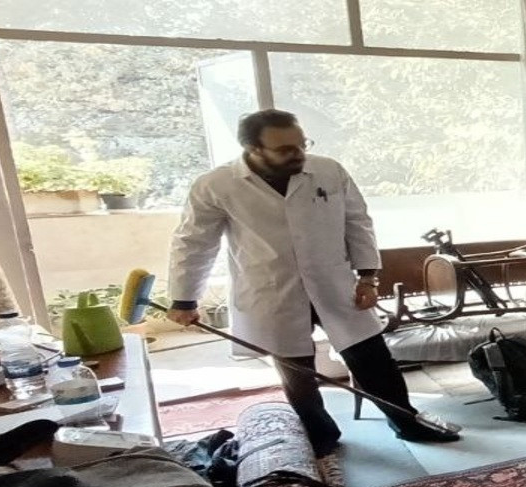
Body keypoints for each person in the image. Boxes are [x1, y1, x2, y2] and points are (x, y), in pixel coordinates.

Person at [167, 108, 459, 455]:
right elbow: (194, 242)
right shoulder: (216, 185)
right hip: (271, 290)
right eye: (285, 149)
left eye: (302, 144)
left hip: (335, 282)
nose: (298, 154)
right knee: (297, 373)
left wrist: (368, 277)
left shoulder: (328, 170)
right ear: (253, 149)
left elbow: (357, 222)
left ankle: (407, 423)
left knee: (373, 360)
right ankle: (320, 435)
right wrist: (184, 299)